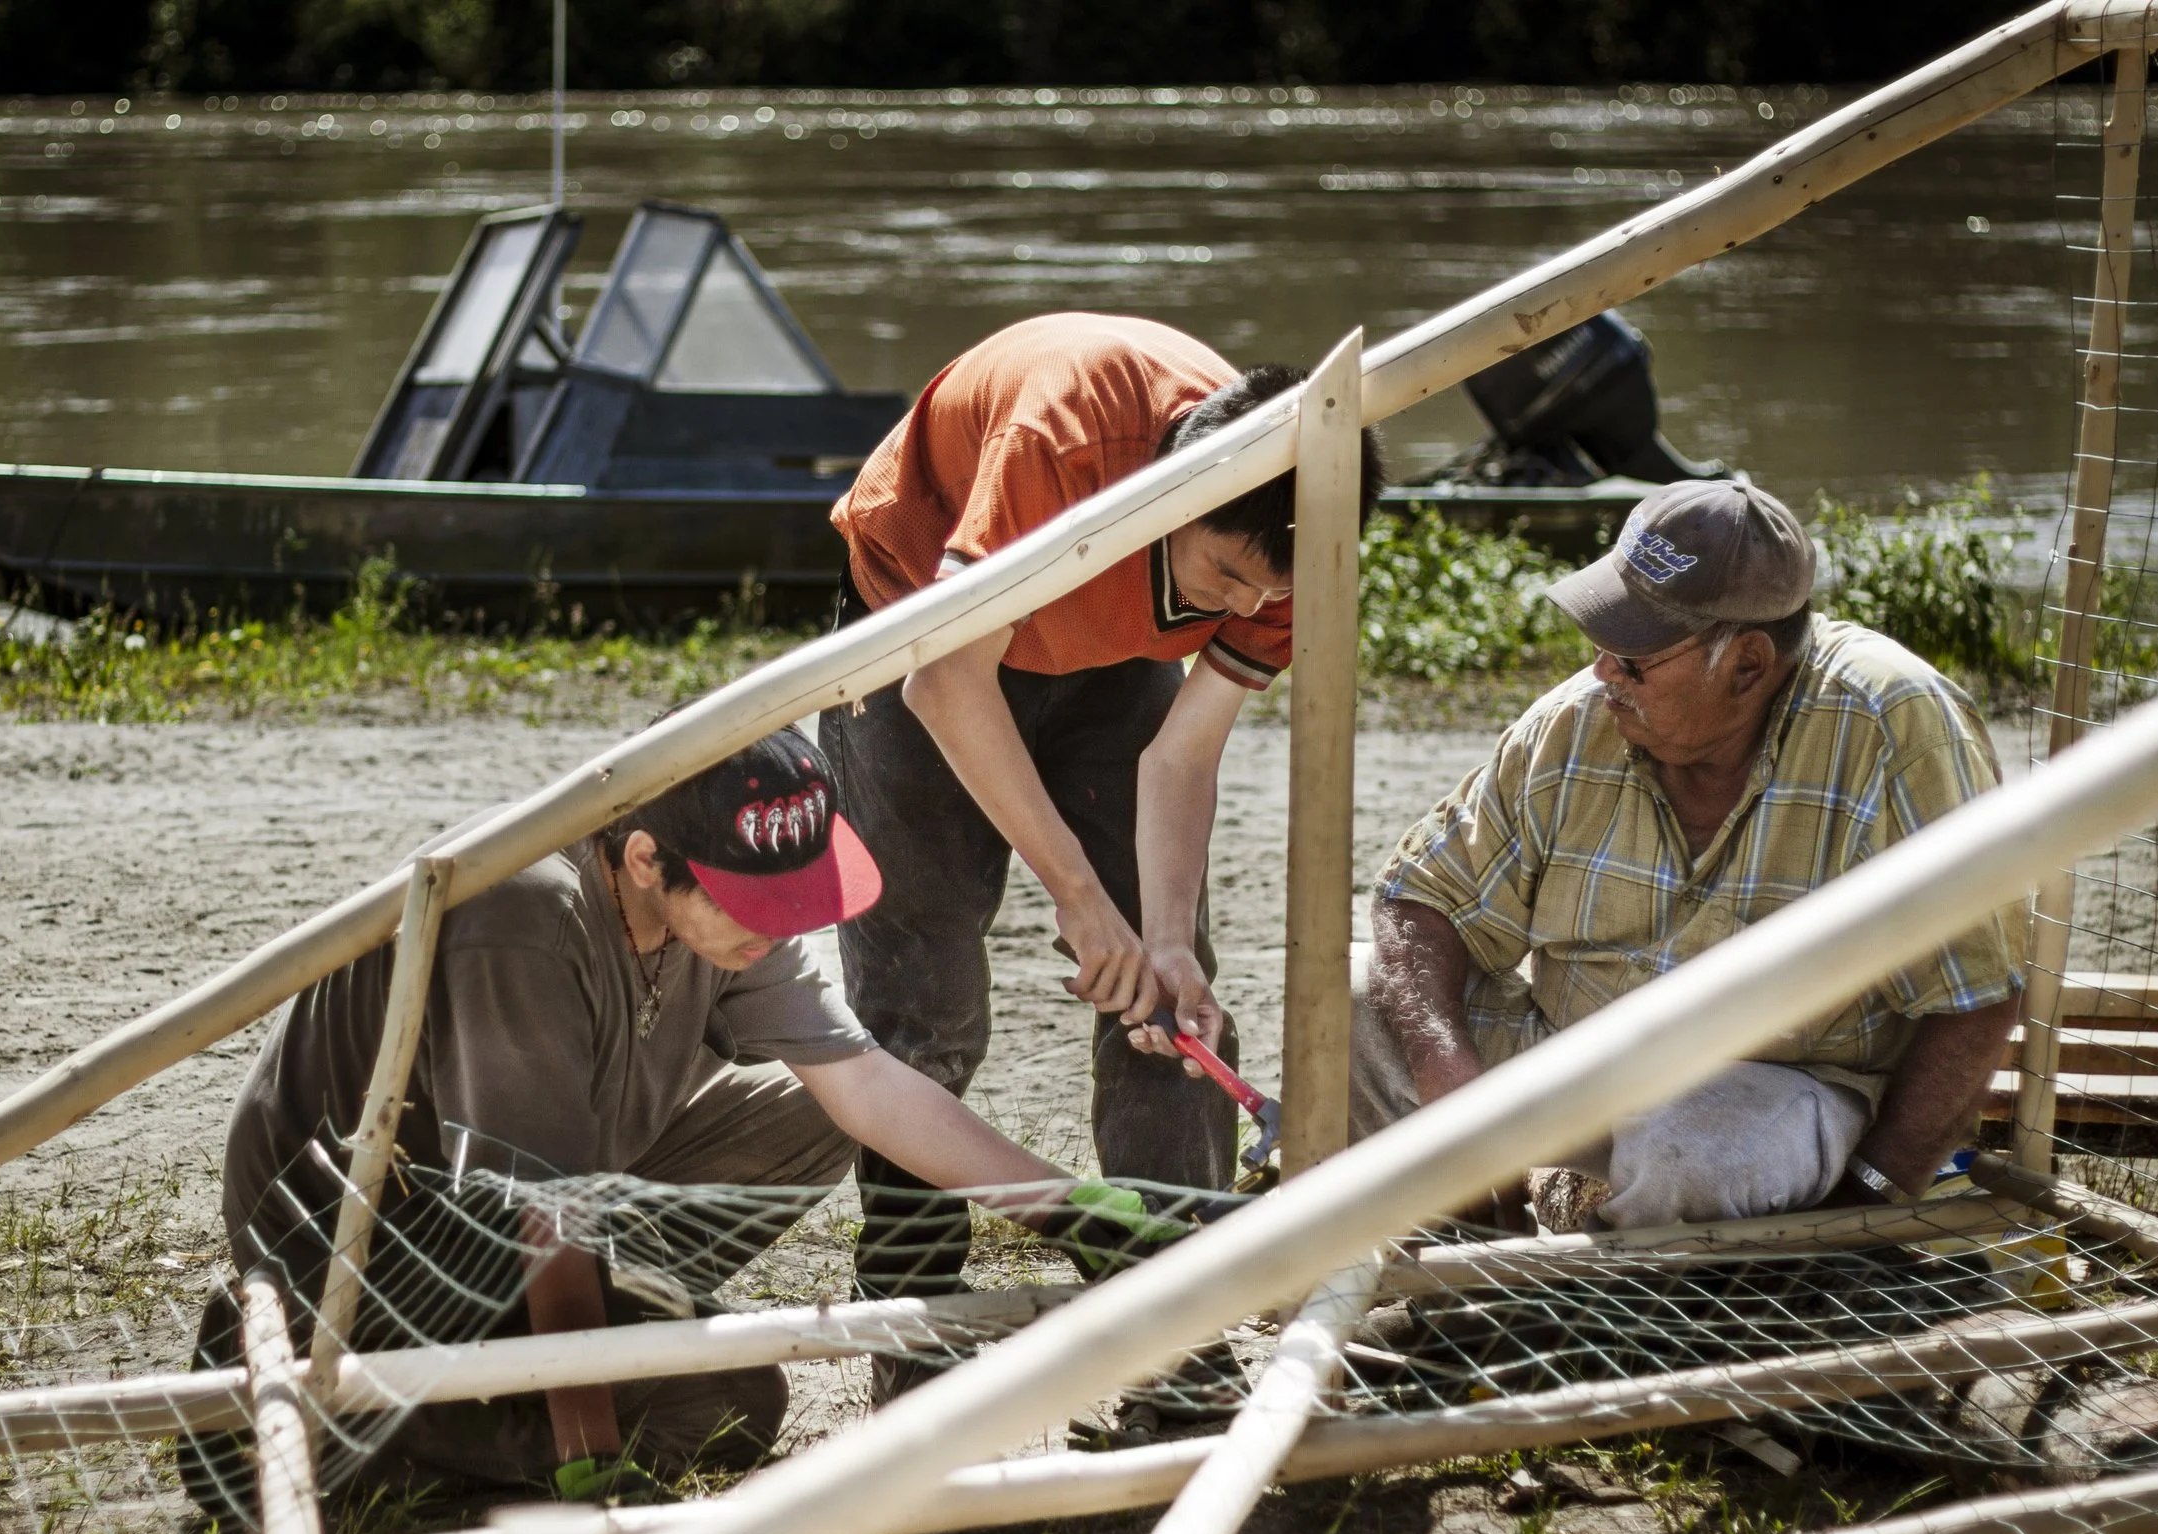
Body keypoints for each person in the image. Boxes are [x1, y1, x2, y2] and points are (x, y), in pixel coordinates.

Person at [187, 727, 1175, 1511]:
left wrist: (1073, 1208)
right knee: (728, 1405)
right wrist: (586, 1444)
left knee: (822, 1108)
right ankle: (323, 1415)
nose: (783, 923)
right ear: (647, 856)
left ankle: (579, 1336)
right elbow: (541, 1209)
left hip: (531, 1193)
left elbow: (866, 1084)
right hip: (359, 1234)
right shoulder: (524, 914)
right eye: (756, 902)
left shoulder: (723, 910)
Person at [821, 313, 1383, 1366]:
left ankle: (1173, 1298)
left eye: (1273, 591)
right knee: (923, 992)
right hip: (919, 625)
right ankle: (911, 1311)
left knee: (1173, 995)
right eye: (1225, 577)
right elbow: (943, 682)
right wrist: (1082, 903)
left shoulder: (1294, 547)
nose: (1251, 606)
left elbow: (1179, 757)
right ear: (1173, 497)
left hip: (1115, 652)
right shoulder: (1062, 447)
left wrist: (1160, 933)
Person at [1355, 478, 2025, 1232]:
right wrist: (1450, 1084)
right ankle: (1470, 1248)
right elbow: (1421, 895)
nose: (1603, 670)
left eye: (1634, 656)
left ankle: (1629, 1309)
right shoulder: (1577, 721)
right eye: (1601, 639)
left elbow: (1978, 992)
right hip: (1572, 1059)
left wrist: (1872, 1194)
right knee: (1353, 995)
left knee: (1690, 1147)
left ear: (1747, 663)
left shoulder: (1894, 727)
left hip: (1775, 1090)